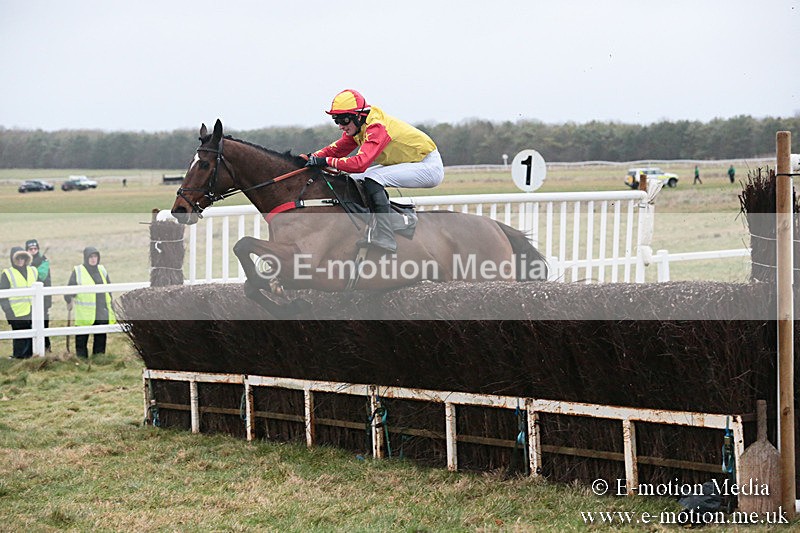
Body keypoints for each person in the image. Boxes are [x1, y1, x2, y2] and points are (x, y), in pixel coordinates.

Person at [303, 89, 444, 253]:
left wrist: (325, 161)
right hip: (410, 162)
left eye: (344, 119)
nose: (341, 125)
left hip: (427, 166)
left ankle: (385, 235)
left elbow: (360, 163)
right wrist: (309, 158)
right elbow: (335, 150)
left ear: (358, 116)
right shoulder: (359, 126)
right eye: (336, 120)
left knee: (373, 178)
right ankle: (372, 222)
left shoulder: (376, 127)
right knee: (354, 179)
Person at [64, 246, 116, 358]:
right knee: (82, 339)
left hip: (101, 310)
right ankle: (82, 359)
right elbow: (69, 289)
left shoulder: (102, 270)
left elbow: (109, 289)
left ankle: (99, 358)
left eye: (95, 256)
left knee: (101, 337)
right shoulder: (78, 271)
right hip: (85, 312)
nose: (93, 259)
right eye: (91, 257)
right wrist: (68, 299)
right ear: (86, 258)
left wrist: (110, 305)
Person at [0, 247, 38, 358]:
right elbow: (2, 296)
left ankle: (31, 358)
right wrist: (8, 312)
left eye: (23, 257)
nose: (20, 260)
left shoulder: (33, 270)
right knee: (20, 338)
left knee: (32, 336)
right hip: (16, 311)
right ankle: (18, 359)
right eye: (18, 258)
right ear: (13, 259)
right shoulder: (7, 274)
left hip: (33, 310)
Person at [25, 239, 52, 352]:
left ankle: (46, 347)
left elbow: (41, 276)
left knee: (43, 323)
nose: (33, 251)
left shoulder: (44, 261)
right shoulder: (24, 260)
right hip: (28, 300)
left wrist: (33, 267)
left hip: (43, 298)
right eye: (30, 249)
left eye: (35, 249)